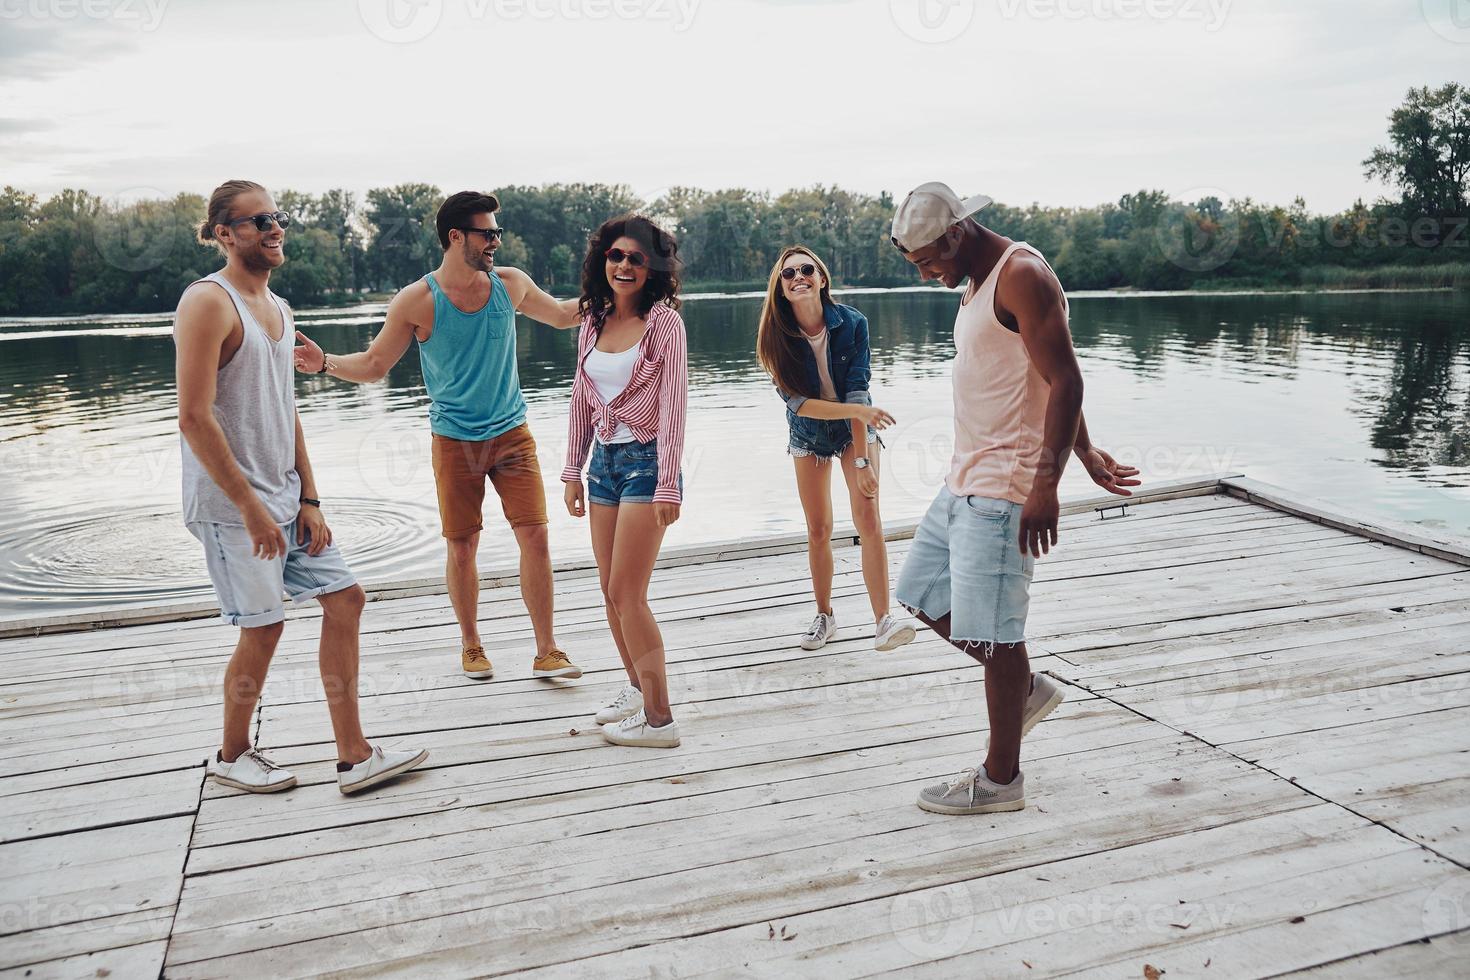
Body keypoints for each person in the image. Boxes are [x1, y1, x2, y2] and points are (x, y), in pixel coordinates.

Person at [889, 182, 1141, 816]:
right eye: (915, 266)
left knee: (998, 637)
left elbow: (1067, 377)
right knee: (920, 594)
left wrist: (1048, 482)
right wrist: (1085, 450)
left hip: (1006, 488)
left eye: (928, 262)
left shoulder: (1020, 275)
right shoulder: (976, 280)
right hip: (964, 479)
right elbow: (1040, 375)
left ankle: (1001, 780)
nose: (926, 275)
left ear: (957, 233)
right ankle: (1022, 689)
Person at [176, 179, 427, 796]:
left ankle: (354, 755)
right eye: (257, 221)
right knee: (263, 628)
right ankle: (231, 754)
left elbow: (287, 412)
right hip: (233, 506)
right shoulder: (207, 302)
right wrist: (250, 508)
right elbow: (193, 416)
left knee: (345, 600)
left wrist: (309, 498)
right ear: (224, 233)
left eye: (276, 217)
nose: (273, 228)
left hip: (286, 499)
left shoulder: (281, 309)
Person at [293, 191, 584, 684]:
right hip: (454, 440)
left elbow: (560, 315)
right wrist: (325, 364)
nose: (496, 241)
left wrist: (627, 296)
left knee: (535, 536)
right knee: (463, 544)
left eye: (497, 233)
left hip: (513, 434)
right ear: (456, 237)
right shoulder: (417, 301)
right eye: (487, 233)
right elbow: (375, 364)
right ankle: (472, 645)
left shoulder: (509, 285)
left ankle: (547, 649)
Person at [561, 215, 688, 748]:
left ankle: (661, 720)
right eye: (616, 256)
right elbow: (580, 399)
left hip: (647, 463)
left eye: (637, 258)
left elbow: (675, 404)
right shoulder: (593, 321)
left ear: (652, 267)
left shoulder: (664, 323)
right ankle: (637, 690)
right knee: (609, 593)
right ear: (602, 262)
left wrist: (669, 482)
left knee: (627, 593)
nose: (625, 265)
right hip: (603, 469)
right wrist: (572, 468)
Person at [755, 246, 917, 653]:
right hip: (808, 433)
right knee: (819, 528)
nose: (798, 277)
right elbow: (799, 403)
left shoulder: (853, 323)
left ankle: (883, 620)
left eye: (806, 269)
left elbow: (858, 387)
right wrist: (853, 409)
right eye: (788, 274)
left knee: (869, 517)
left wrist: (862, 459)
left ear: (822, 278)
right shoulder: (774, 336)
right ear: (781, 287)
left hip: (855, 431)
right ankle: (824, 615)